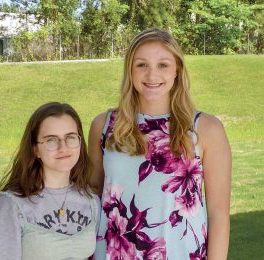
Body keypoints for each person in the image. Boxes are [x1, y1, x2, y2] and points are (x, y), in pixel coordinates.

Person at [89, 28, 231, 259]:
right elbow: (92, 196)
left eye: (163, 65)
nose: (152, 75)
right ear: (130, 71)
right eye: (141, 65)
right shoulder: (104, 126)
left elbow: (219, 214)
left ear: (177, 70)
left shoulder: (206, 129)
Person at [0, 102, 100, 260]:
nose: (63, 147)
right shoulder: (13, 204)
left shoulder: (90, 200)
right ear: (35, 149)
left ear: (80, 142)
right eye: (51, 140)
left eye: (71, 137)